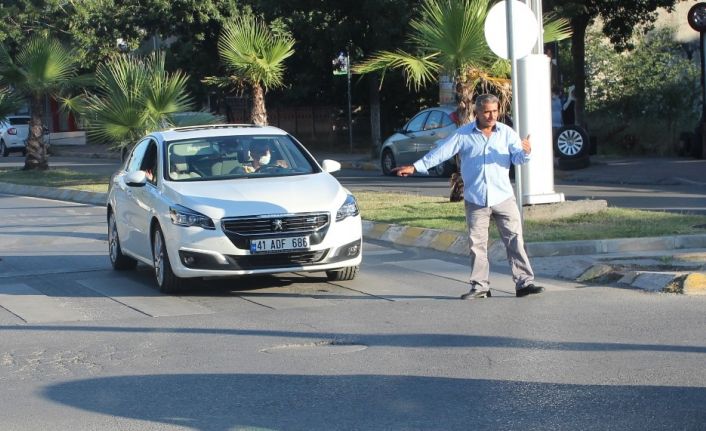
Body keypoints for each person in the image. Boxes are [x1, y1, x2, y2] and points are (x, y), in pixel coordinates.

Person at [392, 94, 544, 299]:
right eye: (487, 112)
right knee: (477, 245)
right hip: (476, 199)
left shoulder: (507, 133)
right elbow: (441, 152)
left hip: (504, 197)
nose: (492, 116)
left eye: (495, 111)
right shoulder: (463, 134)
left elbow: (518, 159)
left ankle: (524, 283)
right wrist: (416, 167)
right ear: (477, 113)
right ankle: (480, 287)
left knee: (515, 241)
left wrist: (526, 152)